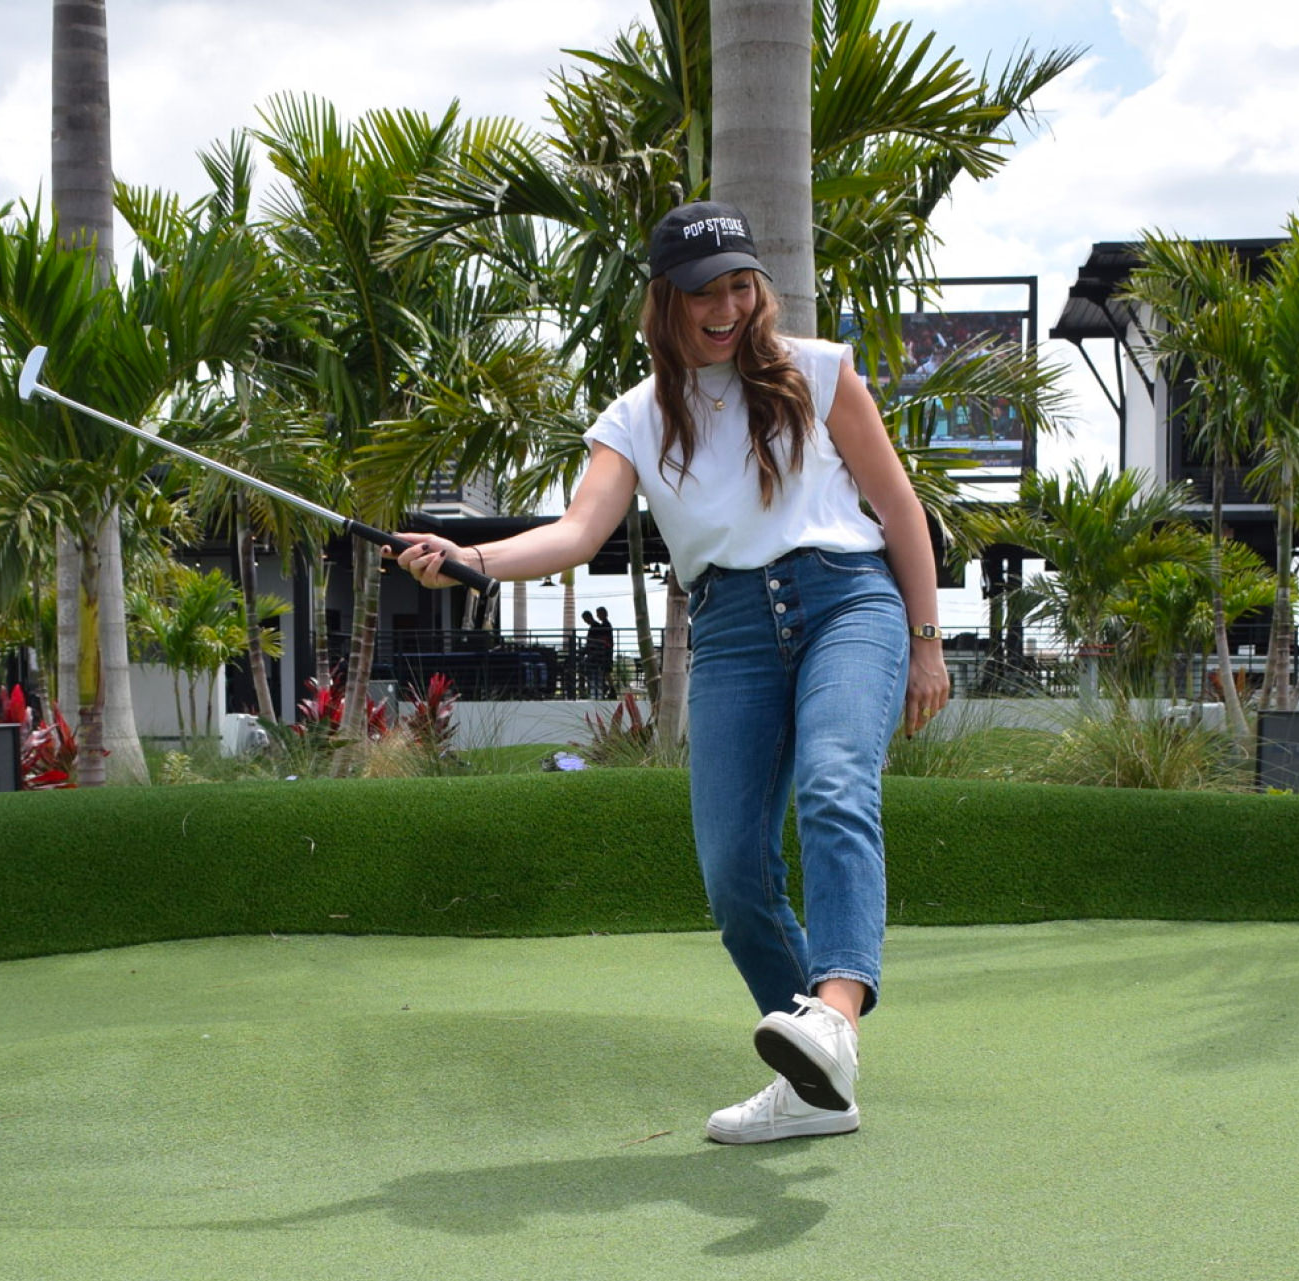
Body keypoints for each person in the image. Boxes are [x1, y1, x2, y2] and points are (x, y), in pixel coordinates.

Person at [394, 201, 949, 1143]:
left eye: (740, 283)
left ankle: (837, 1018)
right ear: (666, 302)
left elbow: (899, 508)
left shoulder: (820, 370)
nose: (728, 305)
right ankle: (819, 1078)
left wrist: (928, 641)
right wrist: (473, 559)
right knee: (733, 869)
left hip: (848, 599)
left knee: (833, 782)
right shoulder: (636, 419)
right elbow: (578, 531)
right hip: (729, 628)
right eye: (705, 291)